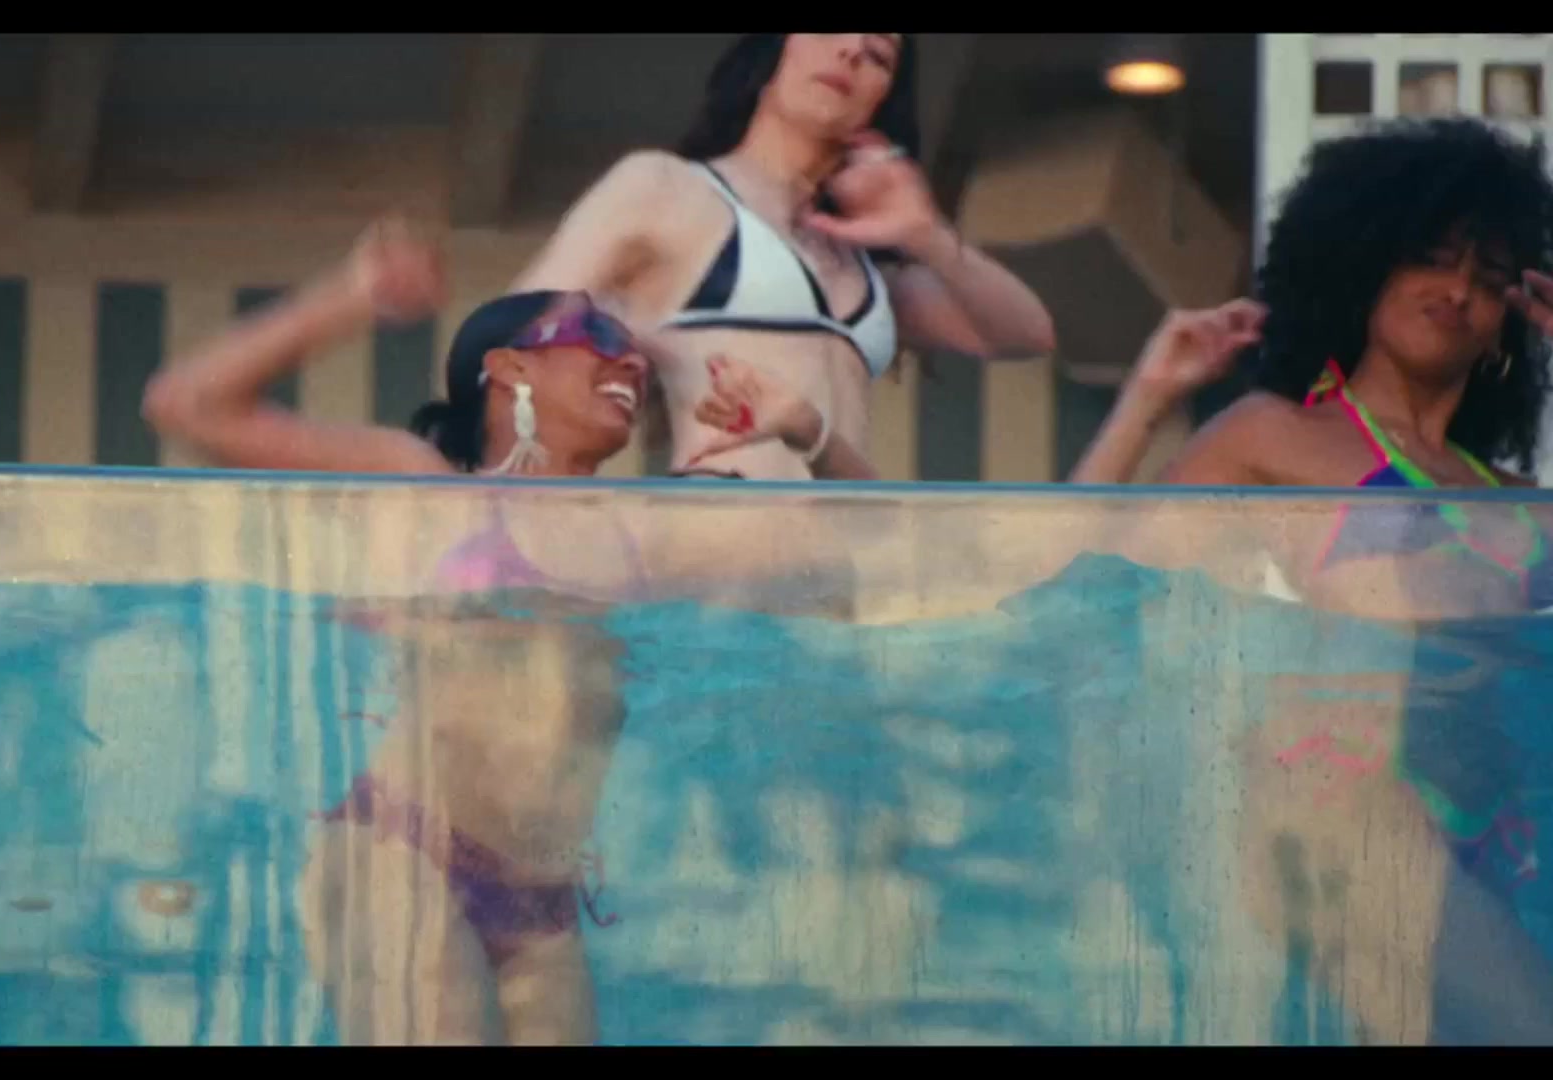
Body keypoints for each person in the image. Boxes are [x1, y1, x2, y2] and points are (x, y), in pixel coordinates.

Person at [141, 219, 871, 1044]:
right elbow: (185, 404)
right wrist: (352, 297)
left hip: (540, 905)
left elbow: (855, 558)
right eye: (599, 337)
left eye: (634, 350)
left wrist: (805, 428)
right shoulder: (427, 493)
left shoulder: (648, 535)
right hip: (402, 847)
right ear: (511, 368)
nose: (630, 361)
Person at [1069, 116, 1553, 1045]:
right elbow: (1091, 594)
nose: (1457, 290)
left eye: (1489, 277)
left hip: (1494, 847)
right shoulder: (1275, 438)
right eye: (1429, 258)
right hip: (1340, 824)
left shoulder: (1516, 499)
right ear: (1365, 262)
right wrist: (1147, 399)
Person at [512, 33, 1057, 480]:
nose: (851, 49)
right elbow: (507, 338)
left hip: (834, 572)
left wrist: (927, 234)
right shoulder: (667, 189)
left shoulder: (865, 269)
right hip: (710, 558)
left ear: (881, 102)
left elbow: (1025, 334)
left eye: (878, 55)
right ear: (772, 49)